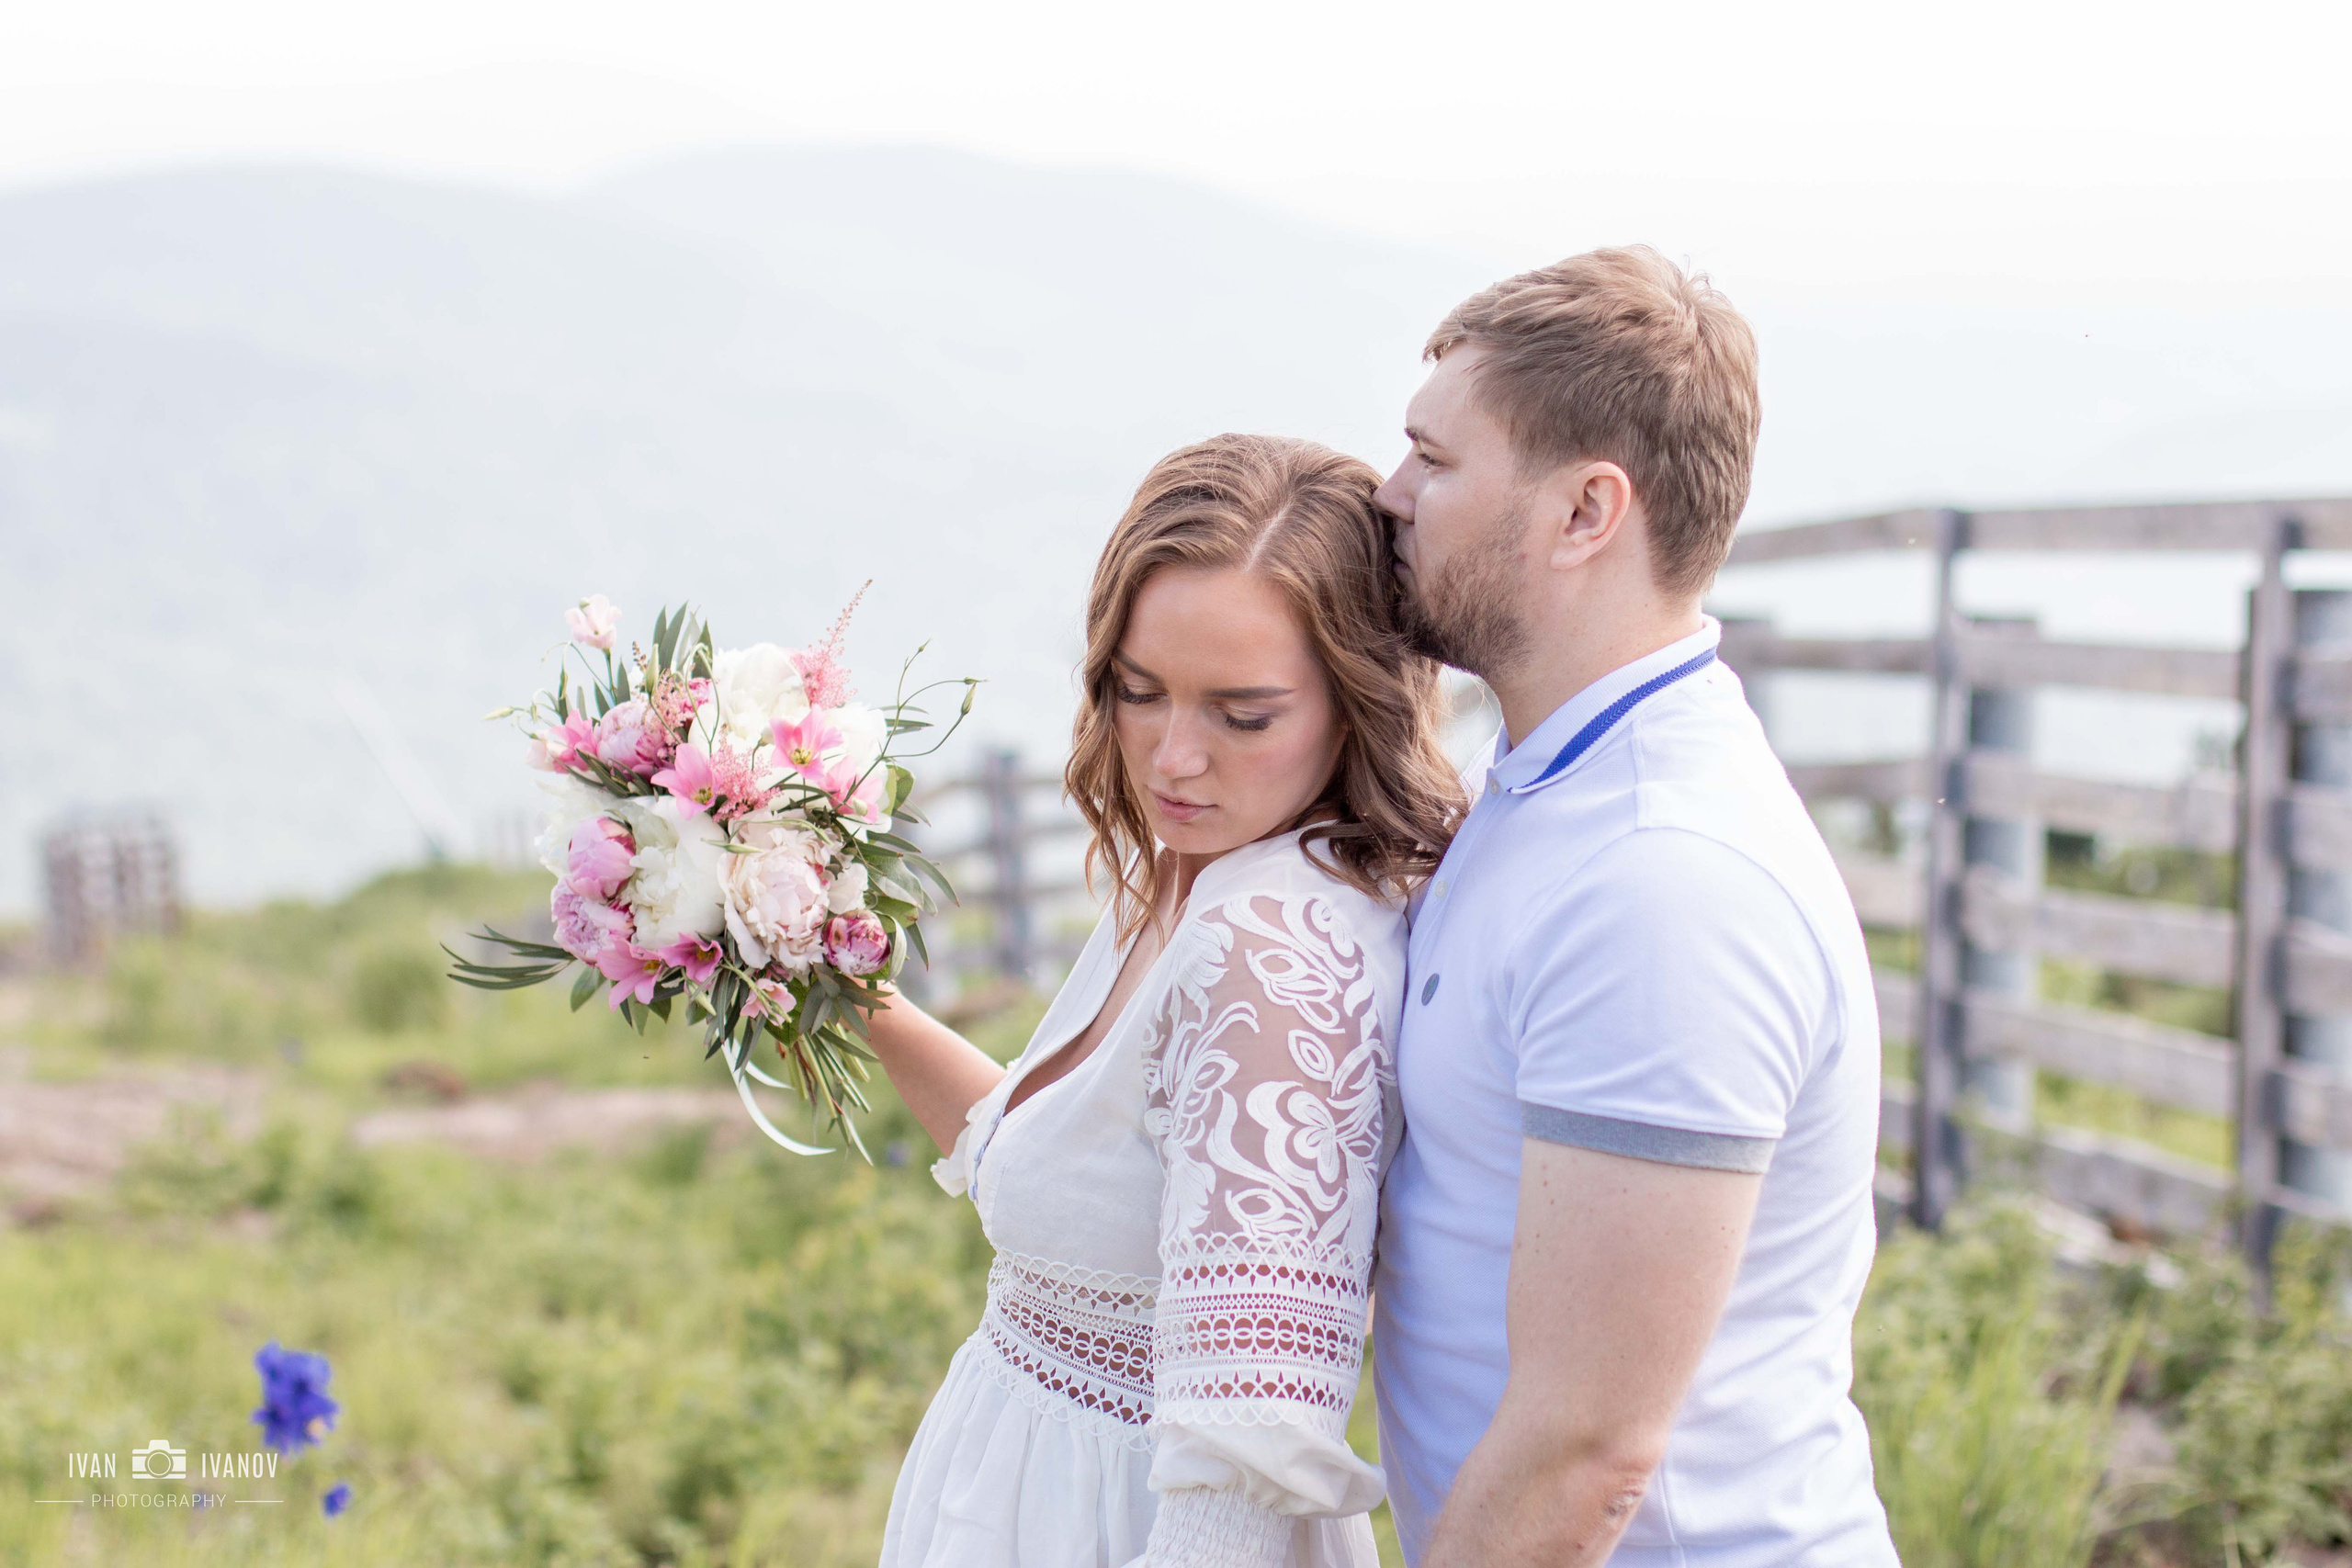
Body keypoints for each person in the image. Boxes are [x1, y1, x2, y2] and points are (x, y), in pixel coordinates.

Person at [1372, 248, 1899, 1567]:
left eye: (1435, 460)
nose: (1390, 494)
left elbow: (1585, 1453)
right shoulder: (1547, 780)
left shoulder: (1663, 881)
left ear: (1584, 511)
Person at [867, 434, 1466, 1567]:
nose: (1172, 761)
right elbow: (1063, 1173)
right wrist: (844, 993)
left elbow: (1241, 1470)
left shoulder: (1268, 947)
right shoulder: (1189, 875)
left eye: (1242, 716)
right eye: (1139, 694)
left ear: (1356, 702)